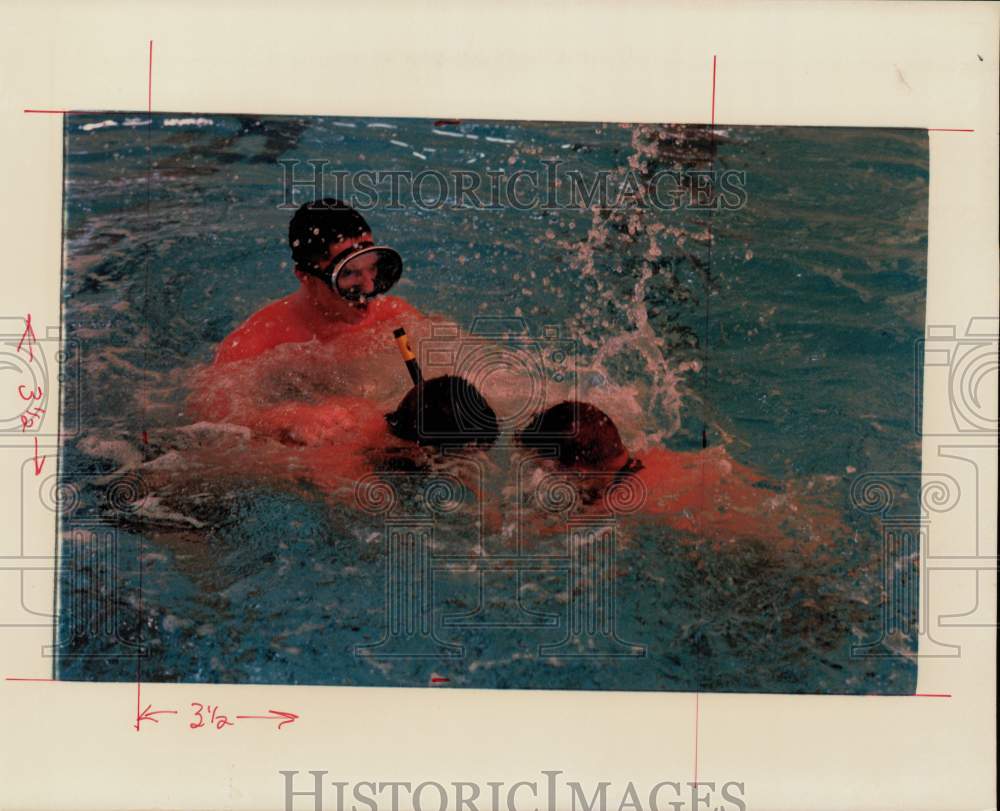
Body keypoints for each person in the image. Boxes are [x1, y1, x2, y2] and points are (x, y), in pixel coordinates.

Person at [517, 400, 844, 548]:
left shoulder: (617, 501)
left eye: (548, 470)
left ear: (577, 470)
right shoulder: (656, 456)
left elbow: (521, 539)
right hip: (817, 522)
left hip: (775, 558)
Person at [213, 198, 420, 365]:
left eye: (372, 267)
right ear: (306, 277)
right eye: (349, 273)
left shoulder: (393, 317)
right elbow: (212, 402)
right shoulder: (254, 346)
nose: (369, 287)